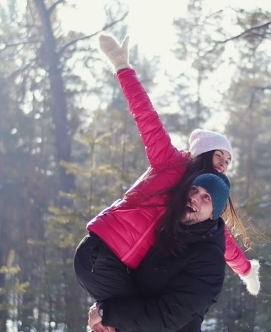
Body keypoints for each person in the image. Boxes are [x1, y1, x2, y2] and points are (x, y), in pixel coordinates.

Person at [73, 33, 260, 327]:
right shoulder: (170, 162)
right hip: (103, 254)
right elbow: (146, 117)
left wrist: (247, 270)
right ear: (203, 152)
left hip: (123, 264)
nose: (224, 163)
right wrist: (123, 67)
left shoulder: (202, 204)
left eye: (228, 161)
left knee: (129, 321)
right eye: (219, 156)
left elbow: (221, 238)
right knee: (132, 322)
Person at [88, 172, 232, 332]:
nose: (195, 197)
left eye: (207, 198)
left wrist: (108, 313)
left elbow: (168, 315)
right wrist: (108, 308)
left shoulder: (210, 259)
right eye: (194, 190)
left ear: (214, 213)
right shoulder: (170, 233)